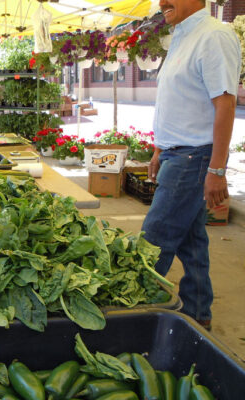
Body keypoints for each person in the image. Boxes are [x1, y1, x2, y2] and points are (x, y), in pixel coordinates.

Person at [141, 0, 241, 331]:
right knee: (191, 240)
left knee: (153, 241)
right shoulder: (182, 36)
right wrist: (159, 149)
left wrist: (216, 170)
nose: (162, 2)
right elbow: (180, 101)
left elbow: (225, 103)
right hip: (177, 153)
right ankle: (199, 312)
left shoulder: (213, 35)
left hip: (193, 157)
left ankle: (133, 314)